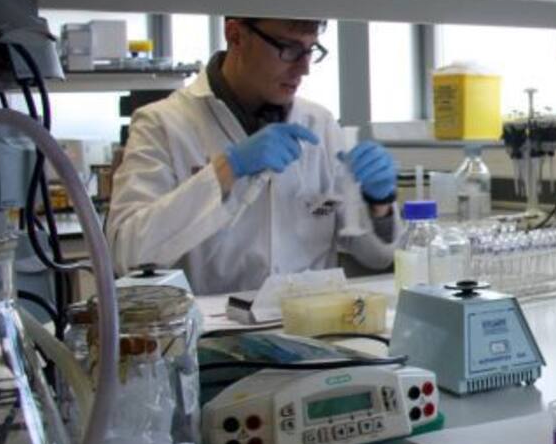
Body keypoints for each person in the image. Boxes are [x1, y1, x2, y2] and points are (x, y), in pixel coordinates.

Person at [108, 17, 400, 296]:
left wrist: (380, 205)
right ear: (235, 35)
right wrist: (225, 170)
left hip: (311, 322)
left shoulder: (319, 123)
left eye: (310, 50)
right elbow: (127, 254)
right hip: (210, 325)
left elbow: (376, 257)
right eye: (289, 48)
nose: (304, 69)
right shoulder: (163, 123)